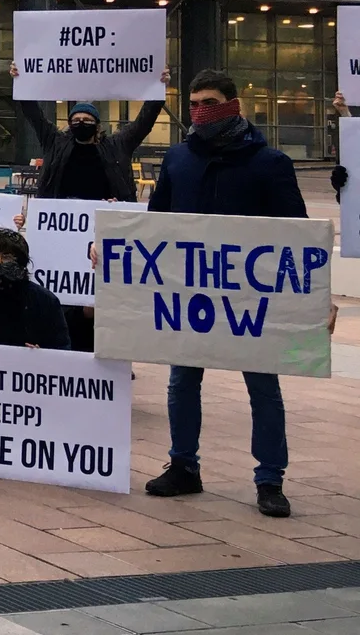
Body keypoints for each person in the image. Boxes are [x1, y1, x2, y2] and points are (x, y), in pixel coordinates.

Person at [144, 70, 315, 519]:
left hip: (249, 300)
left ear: (233, 104)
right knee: (183, 381)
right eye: (195, 102)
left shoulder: (269, 162)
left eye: (211, 102)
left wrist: (318, 296)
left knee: (262, 387)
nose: (200, 111)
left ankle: (270, 479)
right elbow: (155, 222)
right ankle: (183, 466)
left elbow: (296, 235)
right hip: (190, 294)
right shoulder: (178, 159)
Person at [13, 64, 168, 352]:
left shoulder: (118, 145)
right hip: (62, 232)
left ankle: (110, 350)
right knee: (66, 289)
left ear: (97, 124)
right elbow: (33, 114)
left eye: (86, 119)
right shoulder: (55, 142)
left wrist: (158, 91)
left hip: (103, 230)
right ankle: (66, 346)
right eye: (75, 118)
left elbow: (145, 121)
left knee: (105, 294)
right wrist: (20, 82)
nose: (80, 122)